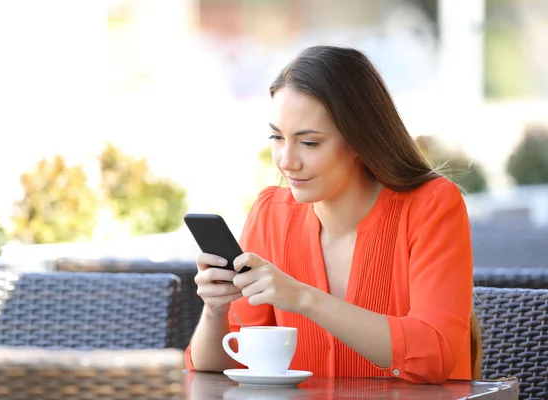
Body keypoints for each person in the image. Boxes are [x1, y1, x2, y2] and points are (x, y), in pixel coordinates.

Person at [184, 45, 481, 384]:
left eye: (309, 143)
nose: (286, 161)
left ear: (360, 139)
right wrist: (216, 309)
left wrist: (304, 298)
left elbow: (434, 354)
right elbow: (217, 365)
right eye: (277, 137)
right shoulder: (271, 214)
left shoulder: (432, 206)